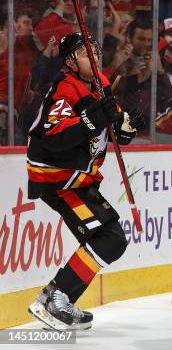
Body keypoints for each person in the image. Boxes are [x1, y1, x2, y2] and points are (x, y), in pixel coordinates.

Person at [26, 32, 145, 330]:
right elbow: (52, 137)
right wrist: (92, 121)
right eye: (84, 51)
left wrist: (124, 128)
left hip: (79, 179)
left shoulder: (102, 83)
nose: (93, 54)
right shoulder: (65, 89)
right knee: (110, 238)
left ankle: (57, 298)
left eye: (94, 49)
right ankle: (56, 300)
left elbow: (112, 128)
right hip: (58, 178)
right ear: (70, 61)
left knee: (102, 240)